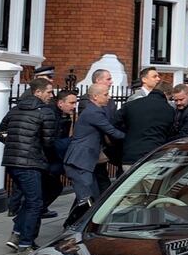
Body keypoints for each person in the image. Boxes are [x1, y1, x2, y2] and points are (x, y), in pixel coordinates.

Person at [0, 78, 57, 255]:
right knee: (35, 203)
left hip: (11, 162)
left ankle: (16, 234)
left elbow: (1, 133)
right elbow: (48, 142)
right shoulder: (45, 112)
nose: (51, 95)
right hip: (31, 163)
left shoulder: (15, 110)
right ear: (37, 92)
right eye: (48, 91)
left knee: (29, 200)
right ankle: (25, 245)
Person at [64, 84, 125, 226]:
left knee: (91, 198)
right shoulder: (94, 112)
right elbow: (112, 131)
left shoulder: (97, 110)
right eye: (105, 94)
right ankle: (73, 228)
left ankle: (72, 225)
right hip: (79, 161)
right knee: (87, 200)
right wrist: (134, 138)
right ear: (95, 96)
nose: (109, 97)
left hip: (84, 161)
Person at [115, 83, 174, 171]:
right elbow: (170, 133)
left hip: (130, 157)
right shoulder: (169, 110)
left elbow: (113, 123)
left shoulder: (131, 105)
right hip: (153, 156)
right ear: (166, 94)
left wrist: (124, 136)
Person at [78, 69, 119, 194]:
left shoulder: (109, 100)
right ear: (98, 80)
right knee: (96, 184)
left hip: (104, 147)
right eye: (108, 79)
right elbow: (102, 124)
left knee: (98, 182)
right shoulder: (88, 102)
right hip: (92, 149)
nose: (111, 82)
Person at [40, 90, 78, 218]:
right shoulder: (52, 115)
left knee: (54, 187)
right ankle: (35, 211)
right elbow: (51, 141)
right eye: (71, 103)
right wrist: (71, 141)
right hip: (47, 158)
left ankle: (39, 209)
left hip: (53, 157)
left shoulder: (64, 115)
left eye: (75, 103)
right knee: (53, 187)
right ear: (61, 103)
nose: (74, 106)